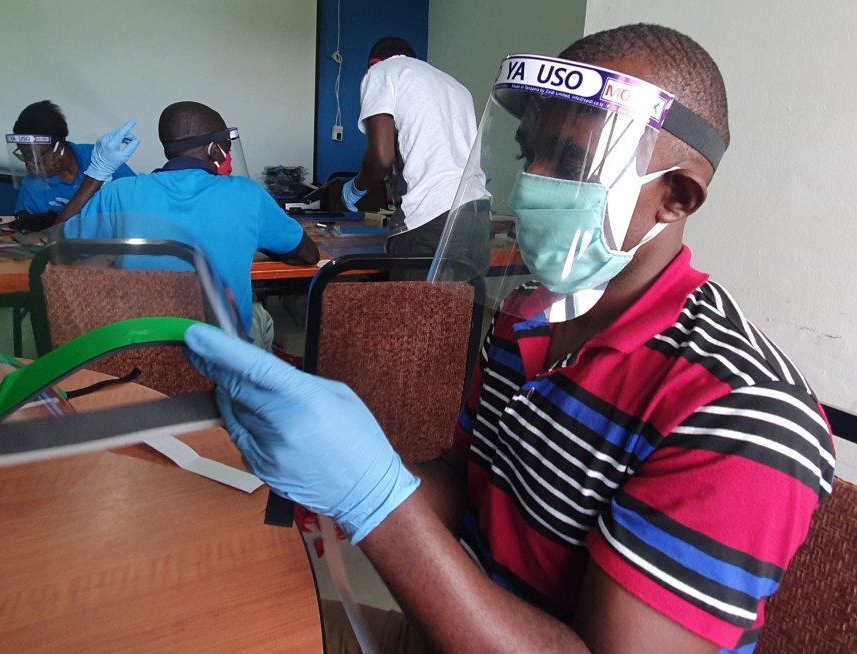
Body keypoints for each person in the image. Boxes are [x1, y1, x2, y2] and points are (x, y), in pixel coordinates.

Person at [182, 24, 835, 654]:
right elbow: (471, 485)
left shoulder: (742, 414)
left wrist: (372, 499)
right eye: (531, 155)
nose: (533, 186)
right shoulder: (529, 318)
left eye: (573, 161)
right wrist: (328, 467)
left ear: (676, 197)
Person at [56, 101, 319, 336]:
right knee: (261, 319)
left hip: (143, 350)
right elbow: (308, 255)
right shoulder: (248, 194)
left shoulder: (120, 192)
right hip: (222, 359)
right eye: (226, 149)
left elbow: (55, 246)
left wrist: (96, 173)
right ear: (215, 149)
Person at [342, 37, 487, 257]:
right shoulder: (455, 86)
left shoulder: (381, 71)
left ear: (373, 63)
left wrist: (355, 188)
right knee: (464, 292)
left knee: (414, 293)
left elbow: (381, 158)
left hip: (428, 218)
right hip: (476, 212)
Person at [11, 101, 136, 214]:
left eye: (36, 158)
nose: (30, 165)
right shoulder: (32, 187)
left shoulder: (102, 158)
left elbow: (139, 199)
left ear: (58, 149)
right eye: (25, 156)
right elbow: (24, 232)